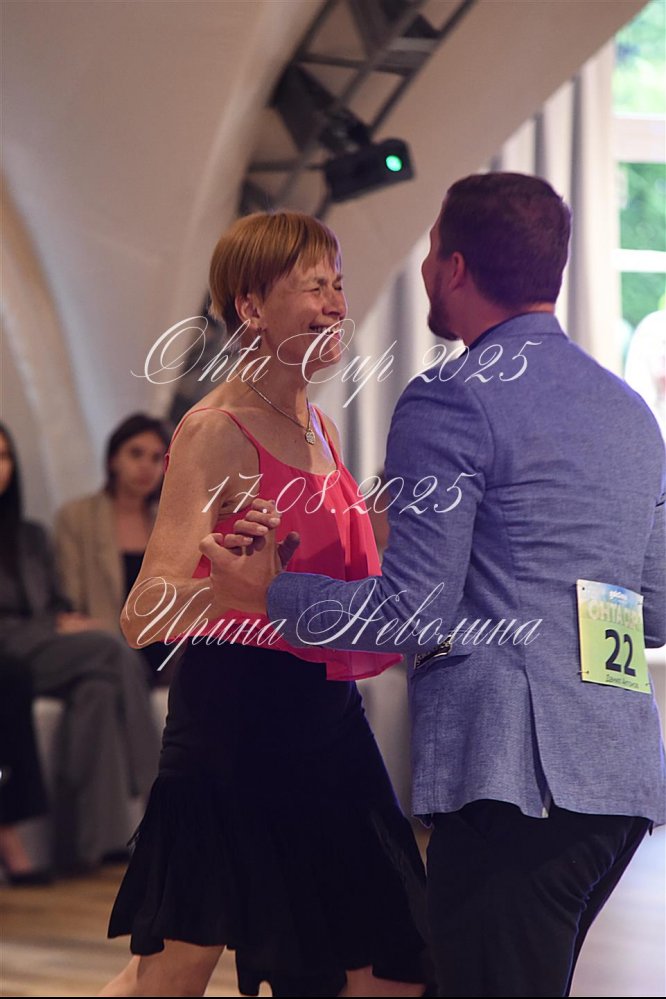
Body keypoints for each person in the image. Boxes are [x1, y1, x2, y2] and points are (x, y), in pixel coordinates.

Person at [211, 173, 666, 997]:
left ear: (453, 268)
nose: (422, 270)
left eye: (428, 252)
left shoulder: (451, 399)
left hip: (513, 780)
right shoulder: (629, 411)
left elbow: (413, 609)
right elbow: (657, 608)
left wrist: (271, 594)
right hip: (619, 779)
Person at [101, 211, 432, 998]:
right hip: (235, 723)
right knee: (173, 972)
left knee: (391, 962)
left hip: (325, 717)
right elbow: (143, 613)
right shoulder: (215, 430)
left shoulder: (317, 423)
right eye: (314, 286)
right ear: (250, 306)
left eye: (338, 284)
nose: (336, 304)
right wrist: (225, 590)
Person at [0, 423, 161, 873]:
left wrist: (62, 618)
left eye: (5, 456)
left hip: (45, 644)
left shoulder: (29, 536)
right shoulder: (77, 517)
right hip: (10, 650)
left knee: (98, 690)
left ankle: (96, 844)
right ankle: (158, 795)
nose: (0, 467)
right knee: (109, 649)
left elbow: (55, 600)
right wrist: (57, 622)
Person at [55, 414, 173, 686]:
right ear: (113, 459)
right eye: (136, 454)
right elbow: (70, 598)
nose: (146, 466)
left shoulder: (169, 522)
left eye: (156, 458)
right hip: (105, 644)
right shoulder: (77, 517)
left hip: (162, 645)